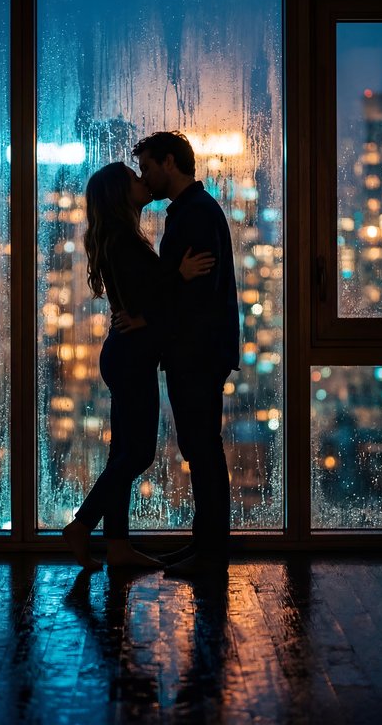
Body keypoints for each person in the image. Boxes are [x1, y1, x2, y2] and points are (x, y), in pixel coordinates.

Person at [62, 162, 215, 571]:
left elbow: (141, 300)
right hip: (131, 357)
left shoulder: (119, 237)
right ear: (119, 193)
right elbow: (145, 296)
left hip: (127, 354)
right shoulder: (123, 240)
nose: (142, 180)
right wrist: (180, 275)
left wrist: (147, 313)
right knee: (140, 454)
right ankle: (81, 524)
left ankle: (117, 545)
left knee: (123, 454)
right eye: (134, 177)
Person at [124, 131, 240, 577]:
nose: (145, 178)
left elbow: (196, 295)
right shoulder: (194, 210)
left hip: (196, 352)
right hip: (198, 351)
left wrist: (148, 317)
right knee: (200, 447)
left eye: (148, 168)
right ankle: (203, 545)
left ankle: (210, 554)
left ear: (169, 163)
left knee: (203, 449)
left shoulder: (194, 214)